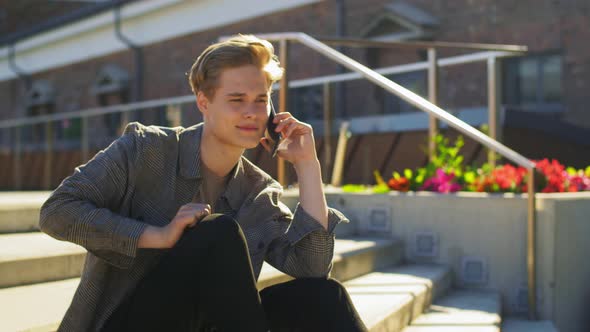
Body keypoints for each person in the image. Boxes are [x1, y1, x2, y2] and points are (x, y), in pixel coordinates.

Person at [40, 34, 368, 332]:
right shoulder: (145, 150)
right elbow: (57, 211)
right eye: (237, 99)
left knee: (325, 296)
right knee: (218, 232)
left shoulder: (257, 192)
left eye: (260, 99)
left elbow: (311, 268)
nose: (252, 112)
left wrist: (308, 166)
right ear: (203, 102)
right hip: (125, 322)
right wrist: (158, 236)